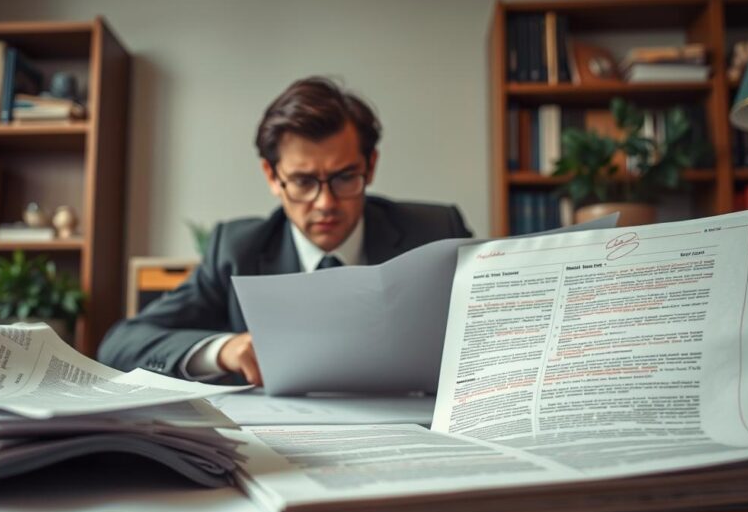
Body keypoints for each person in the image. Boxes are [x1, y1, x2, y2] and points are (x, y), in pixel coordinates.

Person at [97, 76, 472, 385]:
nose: (325, 202)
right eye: (304, 181)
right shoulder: (235, 249)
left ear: (370, 165)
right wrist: (223, 350)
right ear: (272, 177)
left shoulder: (437, 232)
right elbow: (120, 343)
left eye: (344, 177)